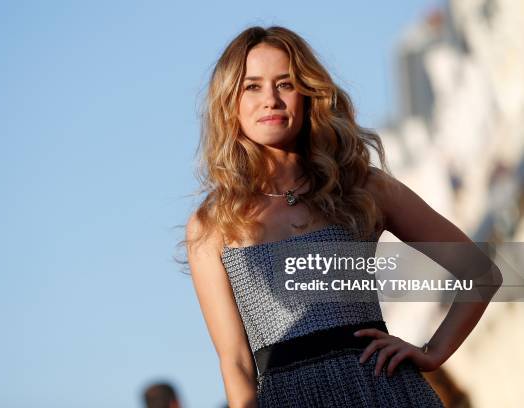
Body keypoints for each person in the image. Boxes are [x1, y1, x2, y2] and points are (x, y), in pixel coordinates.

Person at [184, 26, 502, 407]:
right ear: (229, 101)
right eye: (252, 86)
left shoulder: (362, 187)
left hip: (386, 392)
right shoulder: (213, 225)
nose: (270, 99)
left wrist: (433, 352)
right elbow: (236, 365)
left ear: (306, 94)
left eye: (284, 84)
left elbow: (480, 271)